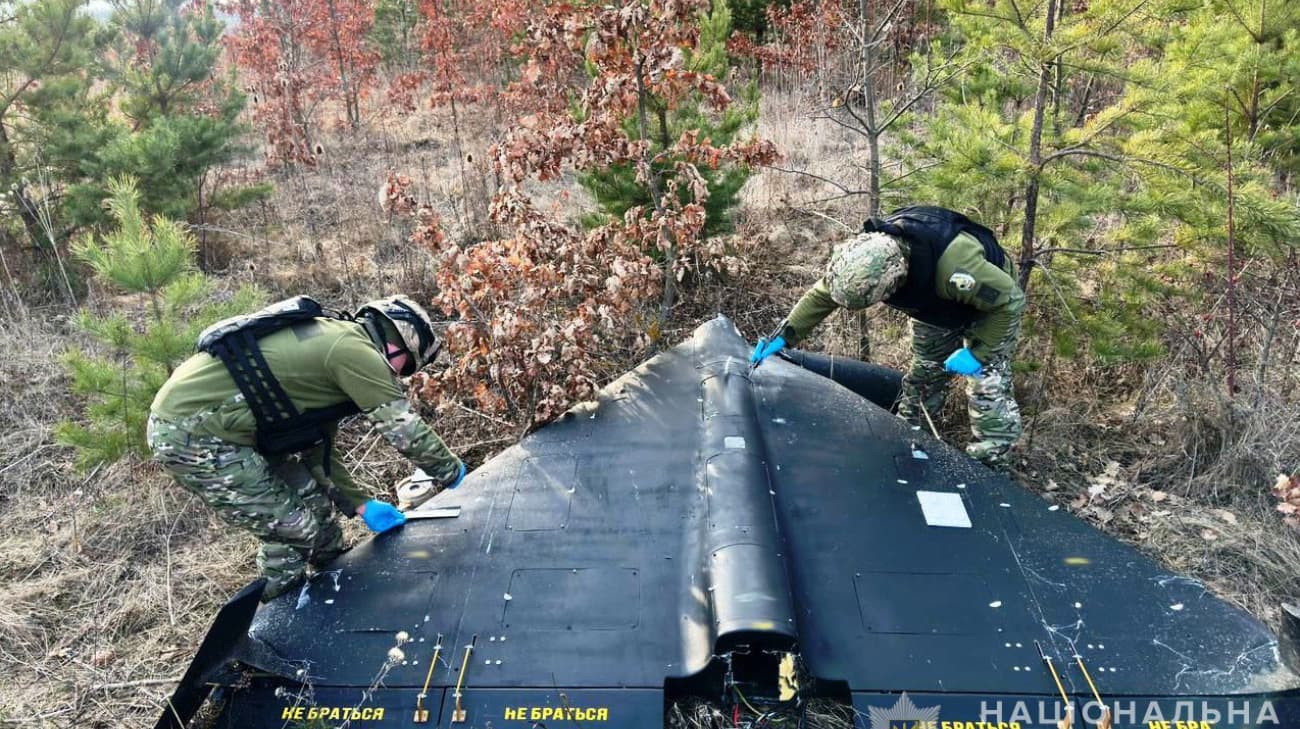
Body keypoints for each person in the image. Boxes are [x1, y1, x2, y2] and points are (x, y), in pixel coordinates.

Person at [147, 295, 466, 600]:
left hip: (229, 425)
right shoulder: (354, 351)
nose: (400, 374)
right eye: (407, 366)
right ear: (398, 342)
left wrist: (361, 504)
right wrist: (452, 473)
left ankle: (335, 586)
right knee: (293, 529)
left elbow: (319, 448)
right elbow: (402, 427)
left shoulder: (337, 346)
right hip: (191, 431)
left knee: (317, 510)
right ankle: (274, 617)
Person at [751, 206, 1025, 469]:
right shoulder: (862, 259)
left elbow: (1009, 301)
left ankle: (990, 465)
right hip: (937, 308)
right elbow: (823, 295)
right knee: (925, 372)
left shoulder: (956, 269)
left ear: (896, 280)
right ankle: (909, 440)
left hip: (992, 311)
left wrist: (978, 353)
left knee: (987, 385)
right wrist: (785, 335)